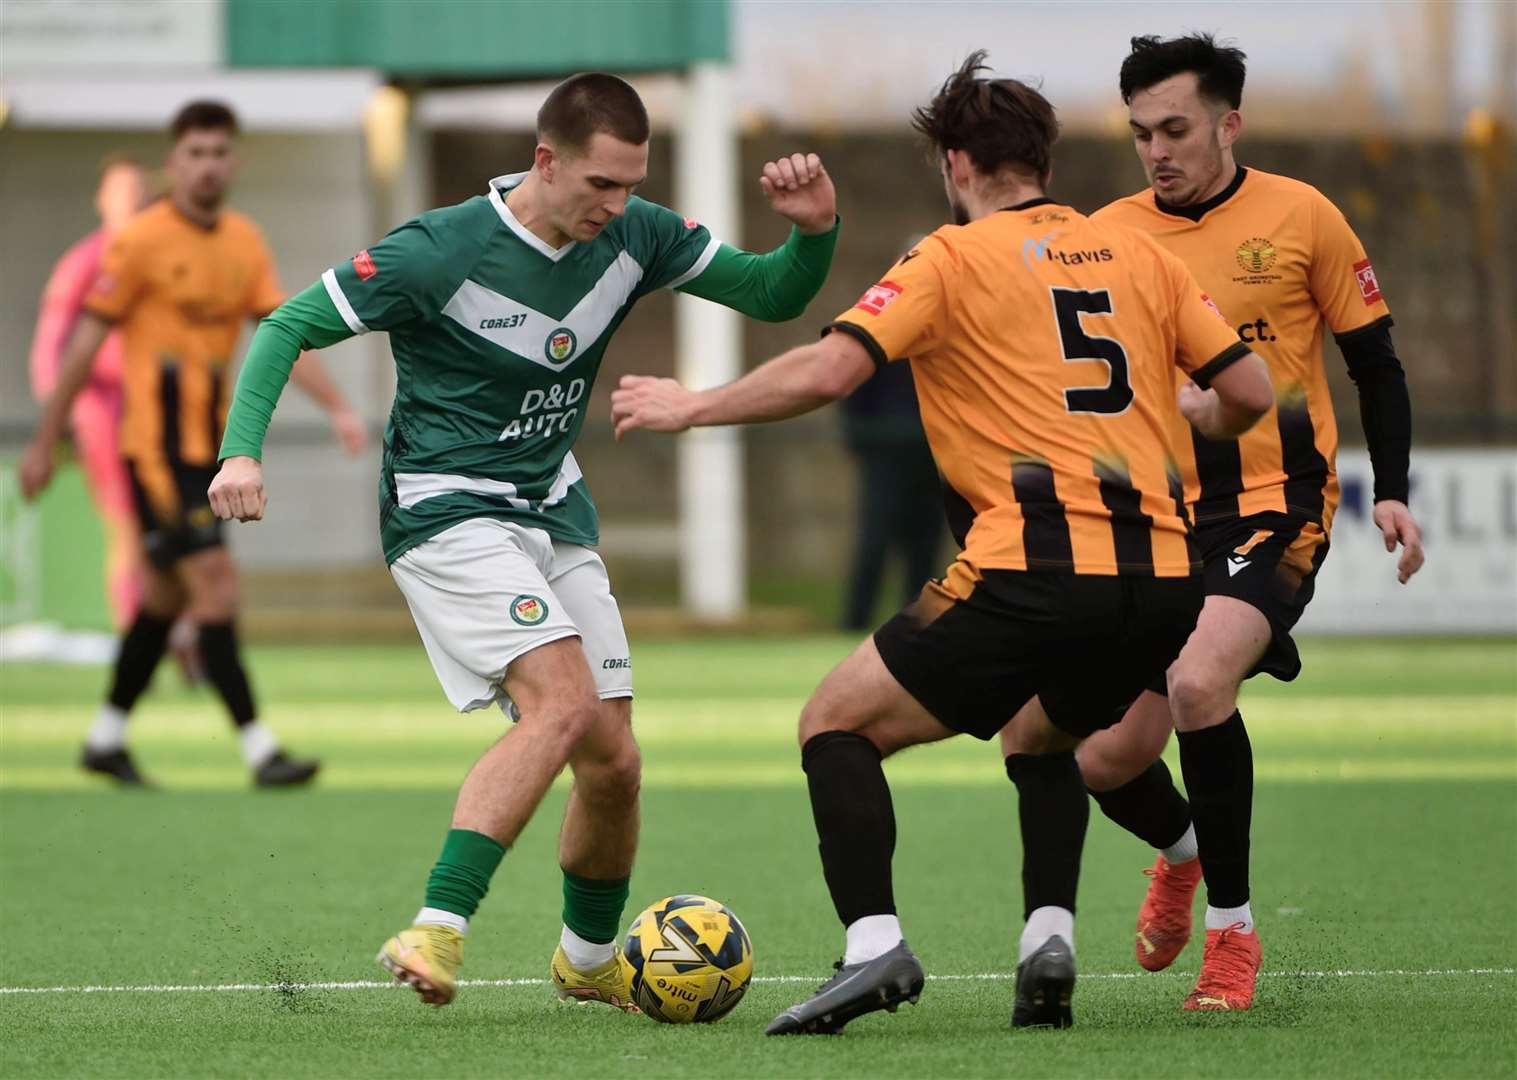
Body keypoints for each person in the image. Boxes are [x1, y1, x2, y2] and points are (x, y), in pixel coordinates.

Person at [611, 52, 1273, 1034]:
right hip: (1162, 580)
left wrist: (693, 405)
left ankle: (874, 950)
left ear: (956, 165)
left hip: (1031, 566)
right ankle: (1046, 941)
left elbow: (832, 370)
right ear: (1040, 158)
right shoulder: (1139, 255)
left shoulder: (948, 257)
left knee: (833, 723)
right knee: (1037, 731)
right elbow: (1250, 395)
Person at [206, 72, 839, 1010]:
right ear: (545, 162)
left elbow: (770, 294)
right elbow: (287, 324)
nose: (617, 207)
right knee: (563, 701)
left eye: (631, 185)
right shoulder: (438, 250)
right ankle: (439, 925)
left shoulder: (635, 235)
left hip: (550, 505)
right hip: (443, 508)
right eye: (601, 186)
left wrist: (814, 230)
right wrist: (241, 455)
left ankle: (586, 968)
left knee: (615, 763)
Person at [1002, 33, 1425, 1013]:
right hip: (1157, 517)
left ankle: (1231, 939)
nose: (1156, 148)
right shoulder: (1102, 234)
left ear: (1228, 123)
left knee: (1197, 683)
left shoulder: (1302, 217)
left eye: (1175, 129)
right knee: (1102, 757)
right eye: (1140, 131)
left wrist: (1393, 487)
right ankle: (1184, 856)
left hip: (1278, 504)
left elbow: (1375, 366)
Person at [19, 101, 366, 788]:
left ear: (233, 162)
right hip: (153, 453)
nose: (208, 166)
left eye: (219, 153)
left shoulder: (242, 242)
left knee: (162, 601)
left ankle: (104, 739)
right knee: (214, 585)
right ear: (175, 164)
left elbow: (282, 333)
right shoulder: (139, 242)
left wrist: (338, 407)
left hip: (207, 451)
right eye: (195, 154)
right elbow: (85, 344)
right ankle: (261, 749)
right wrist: (46, 437)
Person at [27, 157, 151, 632]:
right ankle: (134, 634)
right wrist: (56, 420)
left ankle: (167, 630)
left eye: (139, 190)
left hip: (156, 403)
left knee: (167, 524)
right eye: (122, 191)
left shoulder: (158, 257)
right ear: (102, 200)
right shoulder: (84, 262)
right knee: (127, 526)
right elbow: (51, 343)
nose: (132, 200)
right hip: (101, 404)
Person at [837, 354, 943, 631]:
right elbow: (854, 396)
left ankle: (919, 630)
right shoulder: (880, 339)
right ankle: (854, 625)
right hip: (886, 458)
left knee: (925, 551)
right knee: (874, 546)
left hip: (932, 458)